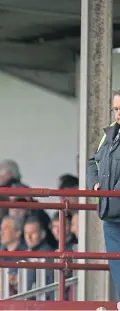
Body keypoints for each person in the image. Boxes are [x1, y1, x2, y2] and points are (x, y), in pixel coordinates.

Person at [87, 89, 120, 299]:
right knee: (117, 266)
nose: (119, 113)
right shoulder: (109, 135)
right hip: (110, 214)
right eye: (116, 109)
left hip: (113, 206)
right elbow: (92, 162)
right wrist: (96, 183)